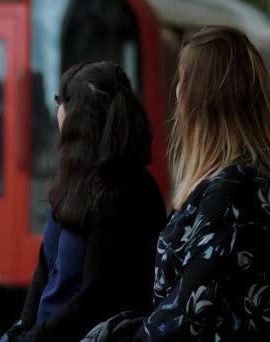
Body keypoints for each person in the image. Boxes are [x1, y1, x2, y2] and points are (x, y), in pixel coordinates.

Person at [82, 26, 270, 342]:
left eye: (182, 79)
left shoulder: (232, 189)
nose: (177, 91)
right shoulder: (237, 181)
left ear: (199, 97)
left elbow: (185, 314)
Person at [2, 61, 167, 341]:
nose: (57, 110)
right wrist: (22, 328)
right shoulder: (74, 181)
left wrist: (35, 338)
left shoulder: (126, 192)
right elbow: (45, 269)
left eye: (60, 101)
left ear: (79, 116)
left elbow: (93, 301)